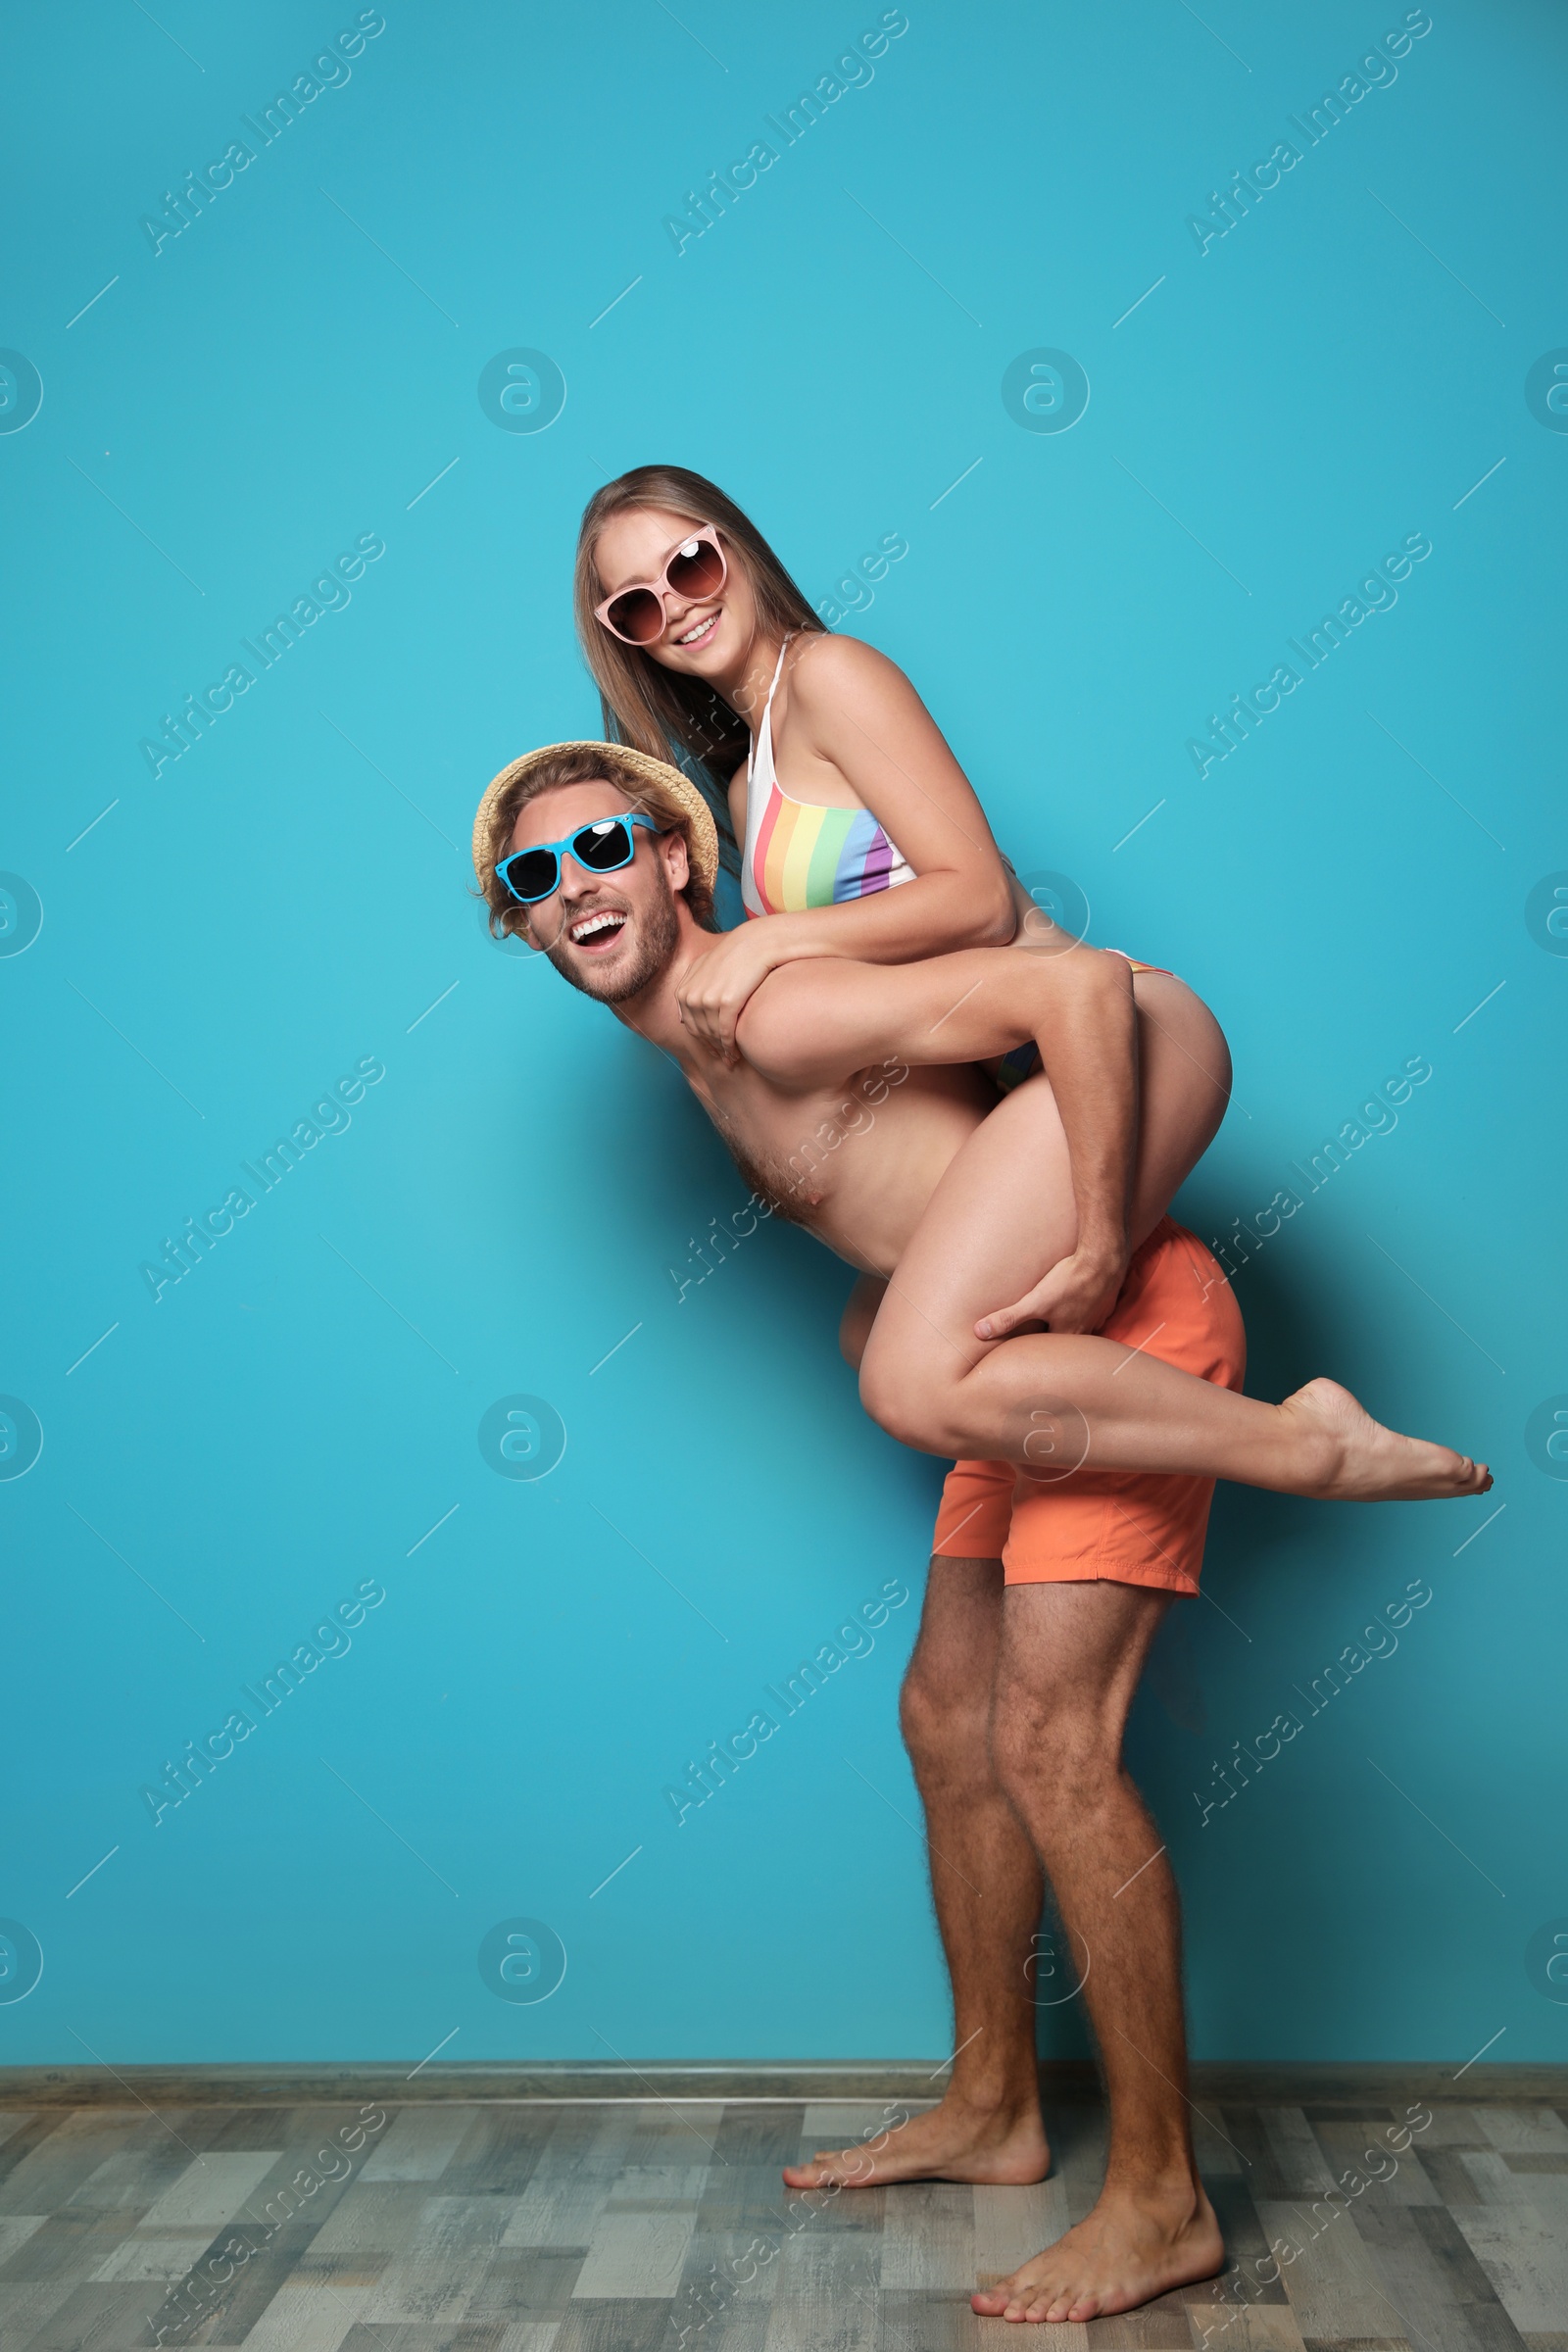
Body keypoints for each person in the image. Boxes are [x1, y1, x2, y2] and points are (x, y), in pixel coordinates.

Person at [471, 742, 1490, 2324]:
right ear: (523, 933)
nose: (573, 887)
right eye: (532, 879)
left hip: (1115, 1342)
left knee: (1053, 1746)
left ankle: (1161, 2201)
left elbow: (1074, 993)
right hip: (1002, 1386)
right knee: (951, 1724)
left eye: (600, 845)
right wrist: (889, 1302)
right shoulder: (708, 1051)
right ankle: (998, 2107)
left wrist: (1088, 1253)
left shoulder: (775, 1000)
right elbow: (928, 1192)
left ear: (676, 856)